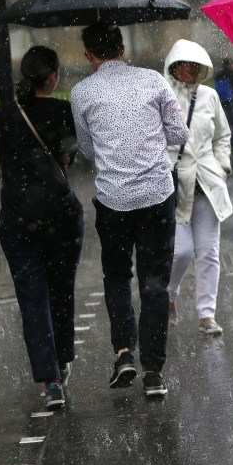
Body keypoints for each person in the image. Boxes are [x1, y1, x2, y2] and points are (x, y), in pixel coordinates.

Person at [71, 22, 189, 397]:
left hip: (113, 200)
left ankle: (124, 352)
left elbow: (87, 150)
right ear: (123, 48)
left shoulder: (81, 93)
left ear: (89, 55)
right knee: (155, 282)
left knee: (117, 276)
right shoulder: (153, 81)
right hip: (156, 195)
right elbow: (180, 134)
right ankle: (153, 371)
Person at [0, 46, 84, 409]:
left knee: (33, 301)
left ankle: (49, 381)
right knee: (62, 293)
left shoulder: (4, 114)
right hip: (60, 216)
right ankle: (62, 363)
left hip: (18, 219)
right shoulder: (64, 111)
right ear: (53, 77)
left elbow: (11, 161)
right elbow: (66, 155)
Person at [163, 40, 233, 336]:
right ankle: (169, 295)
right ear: (173, 65)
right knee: (180, 251)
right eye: (184, 64)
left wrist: (221, 165)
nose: (190, 70)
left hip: (207, 181)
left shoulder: (210, 96)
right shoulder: (161, 95)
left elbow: (223, 135)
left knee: (208, 251)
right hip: (174, 182)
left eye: (196, 65)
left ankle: (207, 314)